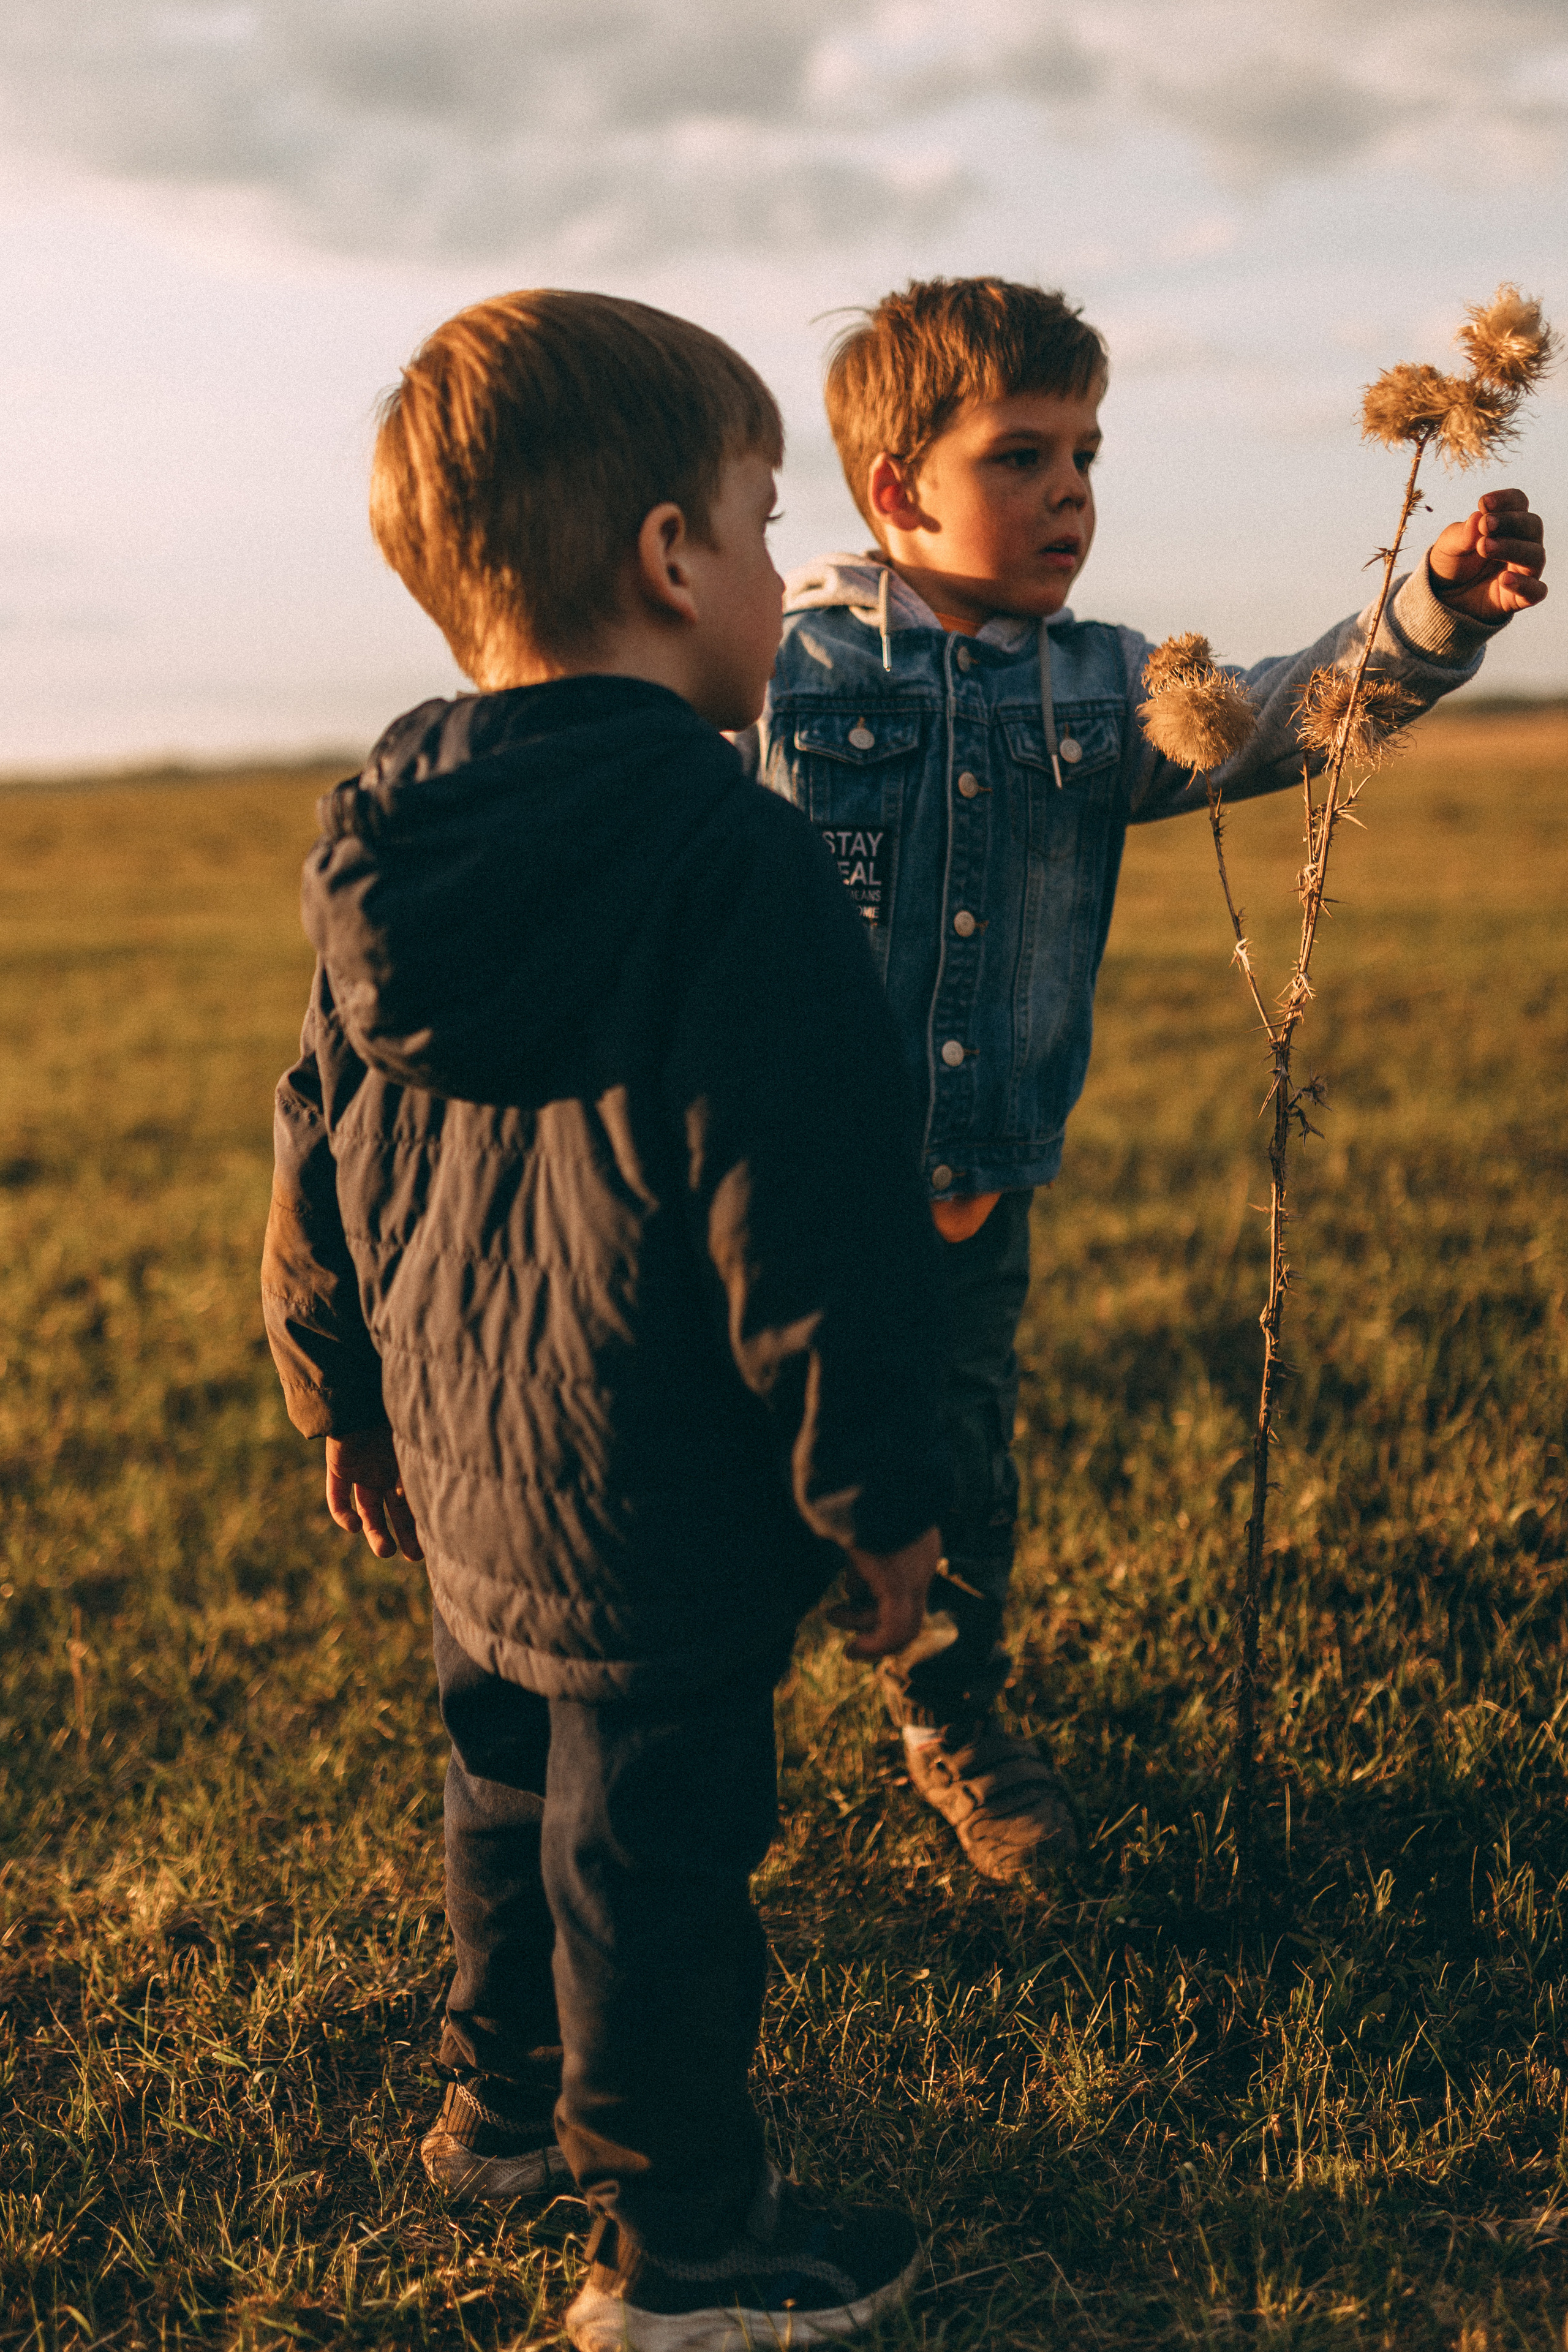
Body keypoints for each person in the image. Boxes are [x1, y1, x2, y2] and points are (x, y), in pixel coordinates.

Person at [260, 289, 951, 2352]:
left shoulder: (390, 839)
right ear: (670, 559)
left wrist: (341, 1394)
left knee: (499, 1787)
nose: (773, 571)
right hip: (655, 1497)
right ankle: (684, 2257)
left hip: (470, 1470)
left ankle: (499, 2119)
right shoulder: (732, 860)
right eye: (759, 525)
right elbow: (807, 1212)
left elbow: (314, 1134)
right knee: (653, 1870)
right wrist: (875, 1494)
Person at [744, 274, 1549, 1883]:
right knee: (751, 1474)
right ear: (897, 488)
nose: (1072, 495)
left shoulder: (1107, 683)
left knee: (966, 1469)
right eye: (1024, 457)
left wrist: (1436, 608)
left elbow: (1280, 725)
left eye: (1089, 457)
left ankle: (953, 1720)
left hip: (979, 1185)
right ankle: (701, 1735)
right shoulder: (784, 672)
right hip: (774, 1201)